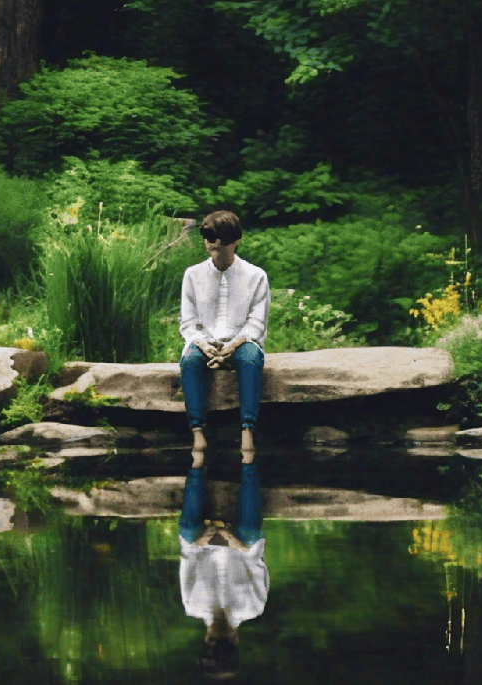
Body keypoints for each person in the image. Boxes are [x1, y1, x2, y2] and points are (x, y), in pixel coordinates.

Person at [178, 210, 270, 467]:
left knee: (251, 360)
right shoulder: (192, 275)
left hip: (242, 342)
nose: (211, 242)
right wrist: (202, 344)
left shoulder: (256, 276)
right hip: (203, 341)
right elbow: (187, 321)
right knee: (189, 362)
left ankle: (247, 432)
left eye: (217, 237)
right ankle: (198, 433)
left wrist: (234, 345)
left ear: (234, 241)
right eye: (208, 236)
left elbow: (257, 322)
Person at [178, 430, 270, 680]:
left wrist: (200, 541)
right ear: (235, 638)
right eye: (224, 635)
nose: (216, 631)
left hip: (205, 542)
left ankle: (197, 462)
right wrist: (233, 541)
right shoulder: (253, 607)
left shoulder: (192, 605)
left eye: (212, 635)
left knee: (186, 532)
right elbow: (257, 564)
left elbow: (187, 559)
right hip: (240, 543)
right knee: (252, 534)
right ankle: (248, 461)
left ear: (206, 637)